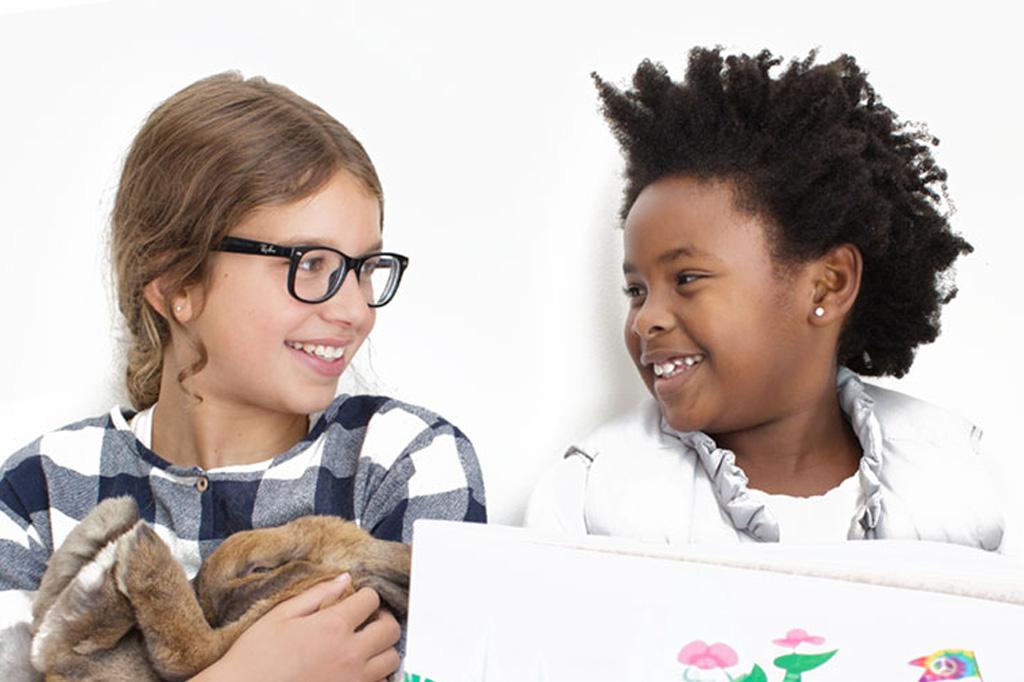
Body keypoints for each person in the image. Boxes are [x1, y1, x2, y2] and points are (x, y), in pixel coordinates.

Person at [0, 72, 486, 681]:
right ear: (176, 282)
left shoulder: (404, 463)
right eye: (310, 264)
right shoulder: (39, 491)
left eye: (364, 268)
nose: (357, 310)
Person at [526, 48, 1002, 550]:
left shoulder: (963, 479)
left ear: (828, 285)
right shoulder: (591, 496)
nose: (647, 320)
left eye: (686, 278)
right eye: (636, 291)